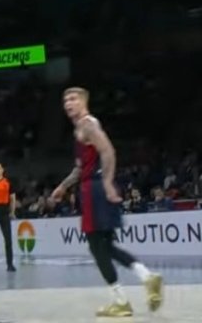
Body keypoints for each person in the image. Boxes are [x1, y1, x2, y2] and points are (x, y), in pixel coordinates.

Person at [50, 88, 163, 318]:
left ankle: (121, 301)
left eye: (73, 99)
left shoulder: (87, 124)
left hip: (94, 190)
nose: (68, 103)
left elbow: (108, 151)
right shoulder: (81, 129)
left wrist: (108, 182)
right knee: (107, 246)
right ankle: (147, 277)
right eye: (65, 100)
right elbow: (80, 168)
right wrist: (63, 186)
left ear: (84, 102)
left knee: (96, 247)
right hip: (93, 187)